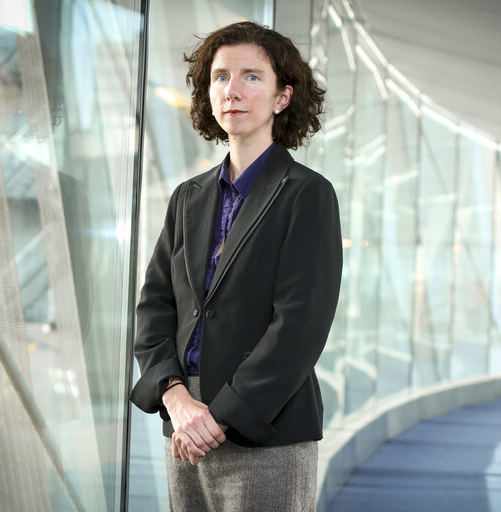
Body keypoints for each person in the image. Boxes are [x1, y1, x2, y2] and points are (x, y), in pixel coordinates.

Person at [129, 20, 343, 511]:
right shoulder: (188, 197)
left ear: (282, 97)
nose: (233, 90)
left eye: (251, 77)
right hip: (185, 423)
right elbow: (154, 309)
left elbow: (300, 328)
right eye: (221, 76)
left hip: (264, 425)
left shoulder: (307, 195)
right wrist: (178, 401)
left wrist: (220, 417)